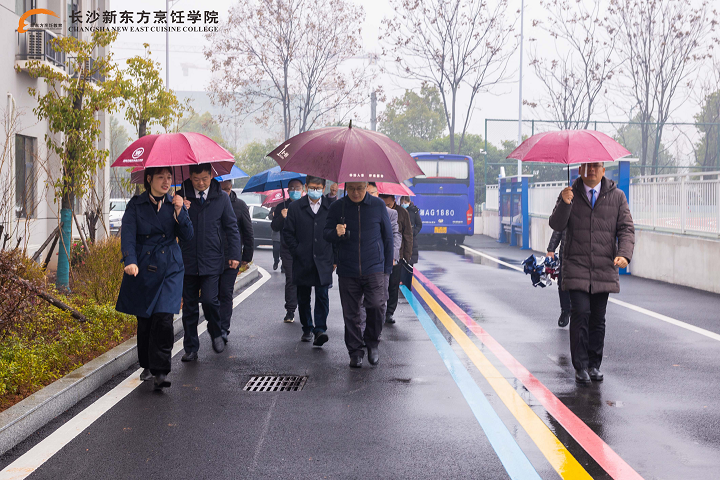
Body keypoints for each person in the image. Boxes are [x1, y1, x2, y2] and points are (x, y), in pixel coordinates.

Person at [549, 162, 635, 385]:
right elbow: (556, 224)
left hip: (603, 266)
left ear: (603, 170)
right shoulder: (569, 194)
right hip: (576, 265)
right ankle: (580, 366)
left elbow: (626, 228)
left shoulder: (617, 197)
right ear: (580, 170)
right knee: (580, 312)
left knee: (598, 317)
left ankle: (594, 364)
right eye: (587, 166)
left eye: (596, 166)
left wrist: (624, 254)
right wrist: (564, 203)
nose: (592, 170)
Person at [116, 167, 193, 391]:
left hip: (170, 267)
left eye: (169, 177)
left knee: (164, 318)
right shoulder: (136, 205)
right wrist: (130, 260)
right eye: (161, 177)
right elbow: (128, 235)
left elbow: (188, 236)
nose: (166, 182)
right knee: (146, 320)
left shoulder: (175, 203)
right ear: (149, 179)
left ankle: (161, 370)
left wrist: (180, 212)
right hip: (144, 266)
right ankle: (147, 364)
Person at [324, 181, 393, 368]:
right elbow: (326, 233)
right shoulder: (338, 206)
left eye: (360, 188)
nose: (355, 192)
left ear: (366, 187)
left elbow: (388, 237)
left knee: (377, 305)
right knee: (351, 312)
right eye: (351, 188)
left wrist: (387, 269)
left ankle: (372, 342)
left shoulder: (378, 205)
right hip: (348, 268)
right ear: (346, 188)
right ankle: (355, 351)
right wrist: (336, 232)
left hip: (375, 267)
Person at [178, 164, 242, 361]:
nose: (201, 183)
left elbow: (232, 227)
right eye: (196, 179)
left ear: (211, 176)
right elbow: (172, 228)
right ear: (190, 177)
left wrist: (235, 254)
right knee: (189, 307)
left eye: (205, 179)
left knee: (209, 300)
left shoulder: (221, 197)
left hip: (212, 259)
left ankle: (216, 331)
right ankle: (191, 348)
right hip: (188, 259)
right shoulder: (181, 196)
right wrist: (179, 210)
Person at [283, 176, 335, 346]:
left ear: (324, 188)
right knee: (303, 297)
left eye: (318, 188)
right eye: (312, 187)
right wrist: (297, 250)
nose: (315, 190)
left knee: (322, 295)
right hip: (302, 259)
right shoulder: (295, 207)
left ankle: (320, 329)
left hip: (324, 259)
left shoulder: (331, 207)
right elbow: (288, 233)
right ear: (306, 187)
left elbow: (335, 235)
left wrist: (334, 258)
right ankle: (307, 328)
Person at [218, 180, 254, 344]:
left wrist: (246, 256)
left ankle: (223, 328)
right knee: (212, 295)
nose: (224, 192)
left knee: (226, 292)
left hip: (231, 257)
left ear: (231, 188)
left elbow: (248, 231)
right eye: (221, 189)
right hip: (211, 257)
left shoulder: (240, 205)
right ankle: (215, 324)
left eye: (227, 189)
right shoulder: (210, 204)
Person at [271, 179, 304, 322]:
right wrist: (281, 217)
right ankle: (290, 310)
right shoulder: (281, 207)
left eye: (297, 188)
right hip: (287, 249)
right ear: (288, 190)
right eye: (292, 188)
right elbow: (274, 227)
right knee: (291, 279)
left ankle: (304, 309)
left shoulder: (306, 205)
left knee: (304, 281)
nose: (295, 191)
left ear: (303, 189)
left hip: (304, 249)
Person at [379, 193, 413, 324]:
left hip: (397, 256)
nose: (386, 207)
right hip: (380, 255)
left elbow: (407, 235)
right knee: (379, 285)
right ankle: (379, 311)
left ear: (394, 200)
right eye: (384, 204)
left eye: (389, 204)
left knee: (393, 285)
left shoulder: (402, 213)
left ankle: (389, 312)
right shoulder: (377, 211)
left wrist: (407, 256)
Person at [547, 229, 570, 328]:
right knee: (562, 283)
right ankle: (565, 310)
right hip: (566, 254)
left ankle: (578, 312)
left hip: (584, 256)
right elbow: (558, 228)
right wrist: (551, 249)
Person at [400, 196, 423, 265]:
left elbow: (419, 224)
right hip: (401, 237)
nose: (403, 204)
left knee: (410, 261)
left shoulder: (414, 211)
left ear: (409, 202)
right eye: (402, 203)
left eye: (405, 203)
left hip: (411, 239)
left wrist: (414, 232)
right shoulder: (399, 210)